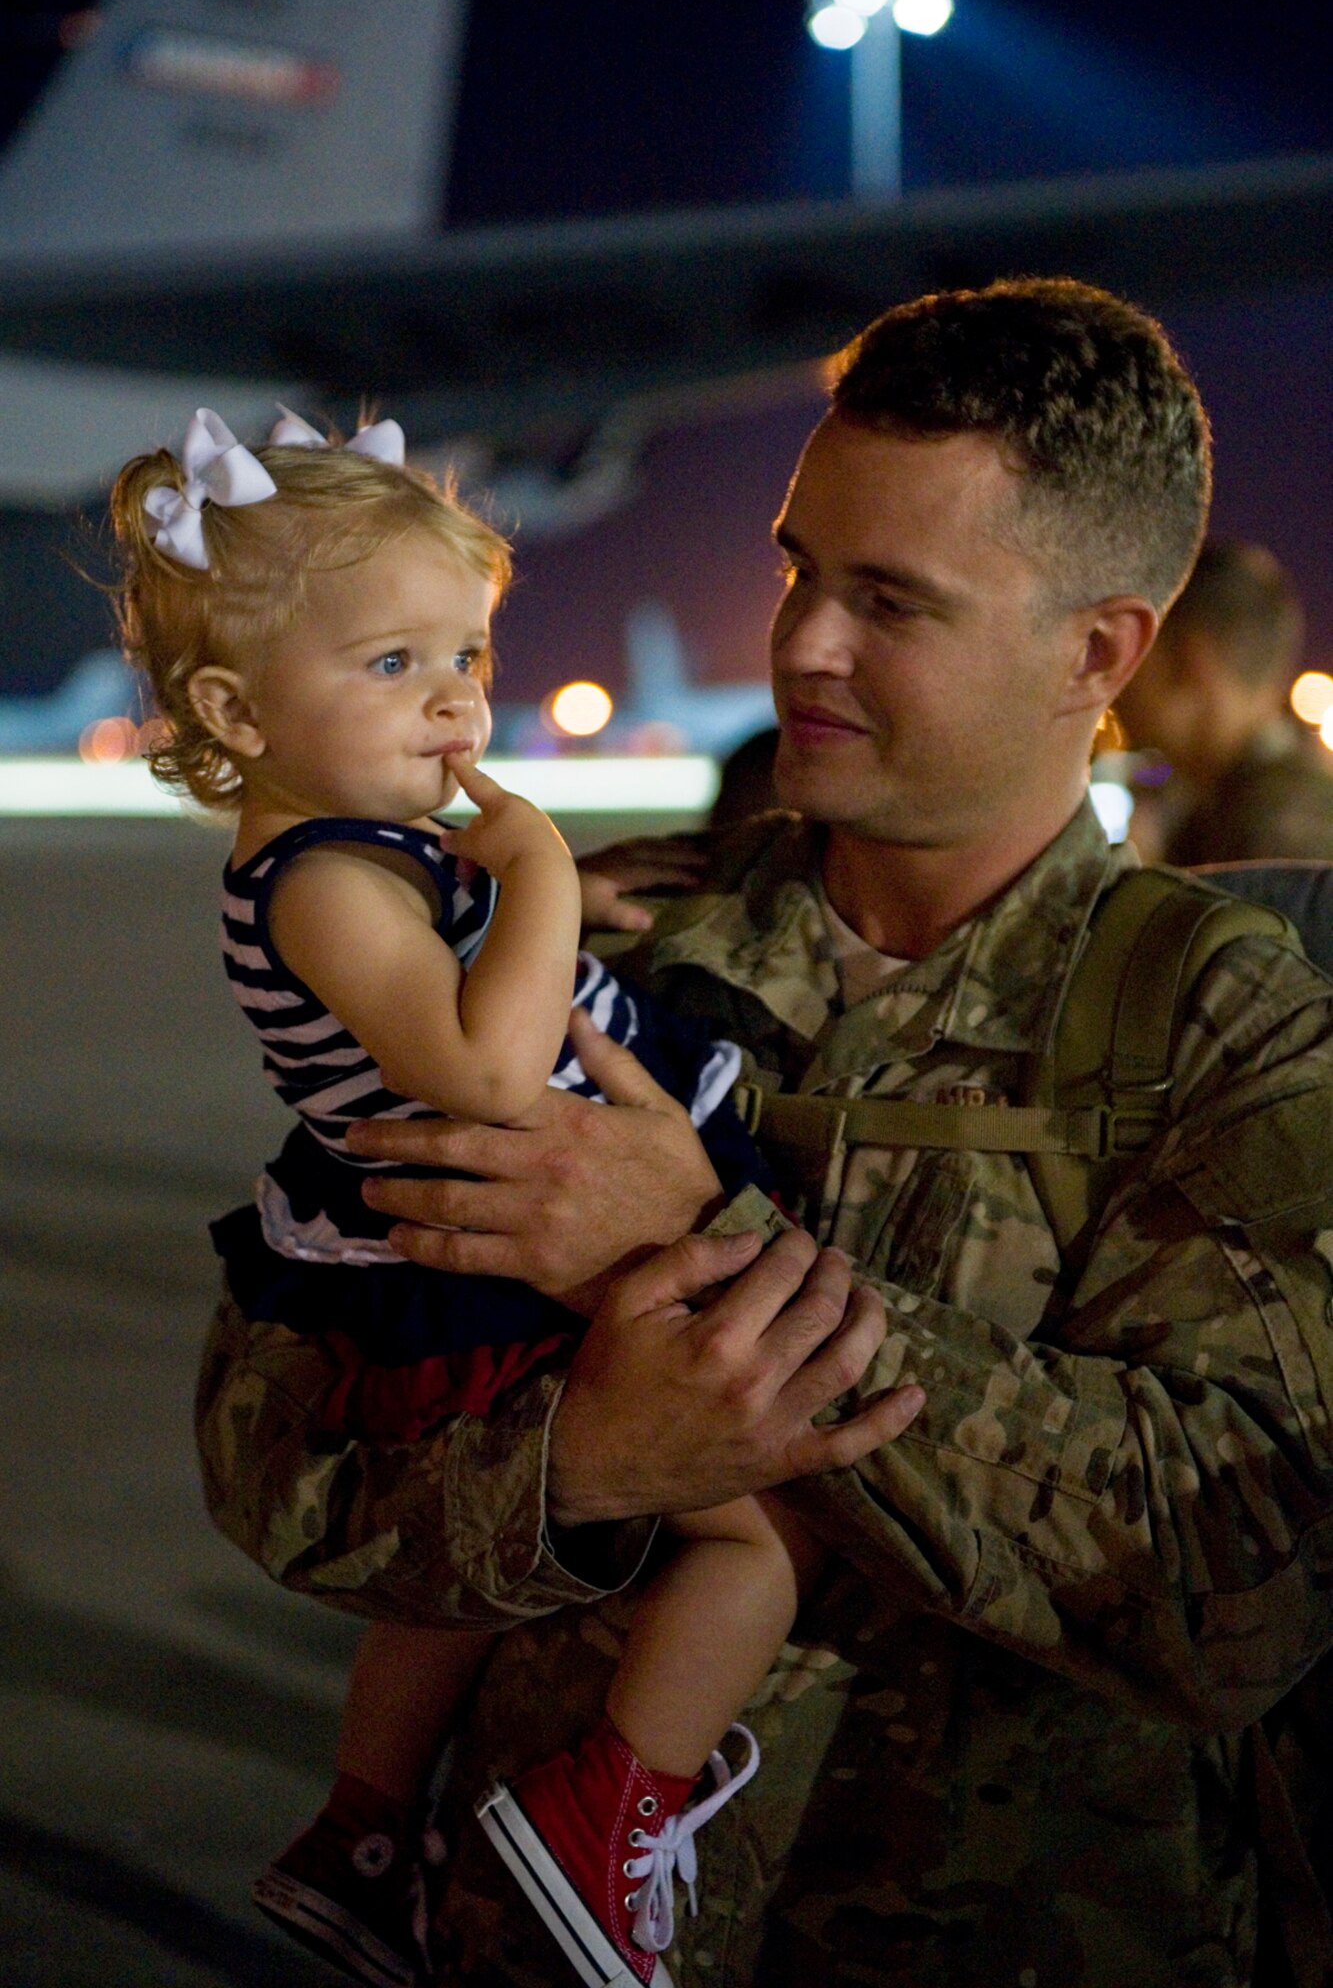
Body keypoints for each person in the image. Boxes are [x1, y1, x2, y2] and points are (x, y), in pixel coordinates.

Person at [193, 278, 1333, 1988]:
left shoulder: (1219, 1019)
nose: (798, 640)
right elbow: (275, 1461)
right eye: (803, 566)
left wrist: (702, 1263)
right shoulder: (596, 956)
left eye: (892, 601)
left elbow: (1237, 1582)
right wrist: (577, 1465)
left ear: (1094, 653)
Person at [110, 405, 914, 1988]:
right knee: (757, 1541)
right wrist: (541, 866)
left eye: (465, 657)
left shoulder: (367, 855)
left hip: (477, 1244)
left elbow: (453, 949)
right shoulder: (325, 877)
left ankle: (363, 1824)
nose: (457, 703)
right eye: (394, 666)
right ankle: (605, 1810)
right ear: (233, 707)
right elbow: (483, 1068)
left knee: (465, 1591)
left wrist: (551, 890)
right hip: (501, 1248)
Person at [1115, 538, 1333, 863]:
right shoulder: (1276, 804)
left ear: (1190, 664)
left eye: (1140, 648)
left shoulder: (1265, 838)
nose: (1119, 683)